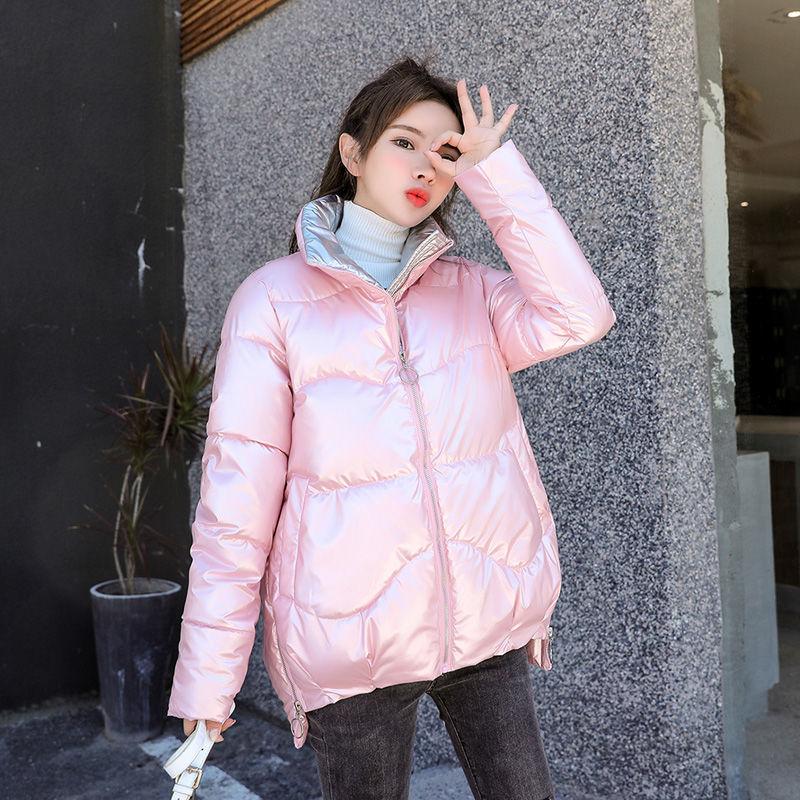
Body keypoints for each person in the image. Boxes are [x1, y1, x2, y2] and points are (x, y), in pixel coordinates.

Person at [167, 55, 616, 800]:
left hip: (485, 625)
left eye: (446, 152)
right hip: (350, 647)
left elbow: (581, 315)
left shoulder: (470, 292)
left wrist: (493, 171)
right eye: (404, 142)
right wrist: (209, 682)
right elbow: (234, 510)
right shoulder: (272, 303)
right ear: (353, 153)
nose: (426, 166)